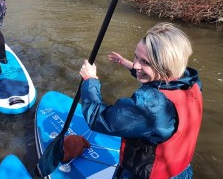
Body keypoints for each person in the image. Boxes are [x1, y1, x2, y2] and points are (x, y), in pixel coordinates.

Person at [79, 22, 203, 179]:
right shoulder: (191, 82)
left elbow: (98, 118)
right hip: (181, 172)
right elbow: (162, 81)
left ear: (165, 66)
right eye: (136, 57)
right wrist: (128, 65)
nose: (137, 64)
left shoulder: (150, 106)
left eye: (145, 62)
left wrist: (90, 80)